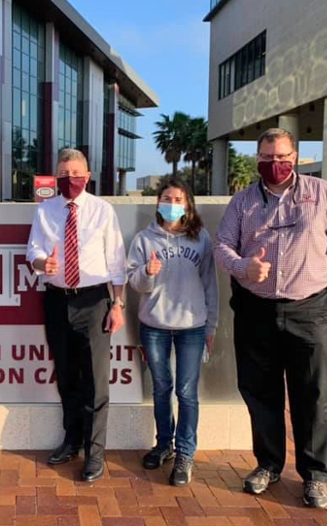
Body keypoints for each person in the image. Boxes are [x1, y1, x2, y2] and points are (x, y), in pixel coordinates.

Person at [215, 128, 327, 509]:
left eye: (281, 157)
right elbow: (222, 245)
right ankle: (268, 465)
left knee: (313, 395)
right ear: (257, 158)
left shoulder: (321, 193)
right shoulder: (243, 201)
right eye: (266, 157)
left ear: (295, 157)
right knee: (261, 393)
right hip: (255, 310)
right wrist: (244, 267)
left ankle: (315, 475)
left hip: (309, 309)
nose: (274, 165)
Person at [26, 148, 126, 482]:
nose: (71, 179)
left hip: (95, 301)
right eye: (64, 173)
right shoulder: (46, 210)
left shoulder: (102, 210)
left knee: (97, 382)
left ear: (88, 174)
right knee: (67, 376)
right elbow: (33, 251)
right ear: (56, 175)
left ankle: (95, 453)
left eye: (77, 173)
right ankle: (72, 441)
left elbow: (116, 261)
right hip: (56, 300)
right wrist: (44, 264)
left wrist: (118, 304)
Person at [127, 178, 218, 486]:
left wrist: (212, 326)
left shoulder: (201, 238)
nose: (172, 203)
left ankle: (185, 454)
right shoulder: (143, 239)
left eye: (178, 198)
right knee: (161, 389)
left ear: (187, 205)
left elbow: (210, 284)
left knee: (187, 392)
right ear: (158, 203)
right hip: (153, 326)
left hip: (192, 327)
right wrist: (147, 274)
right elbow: (134, 283)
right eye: (167, 198)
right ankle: (164, 443)